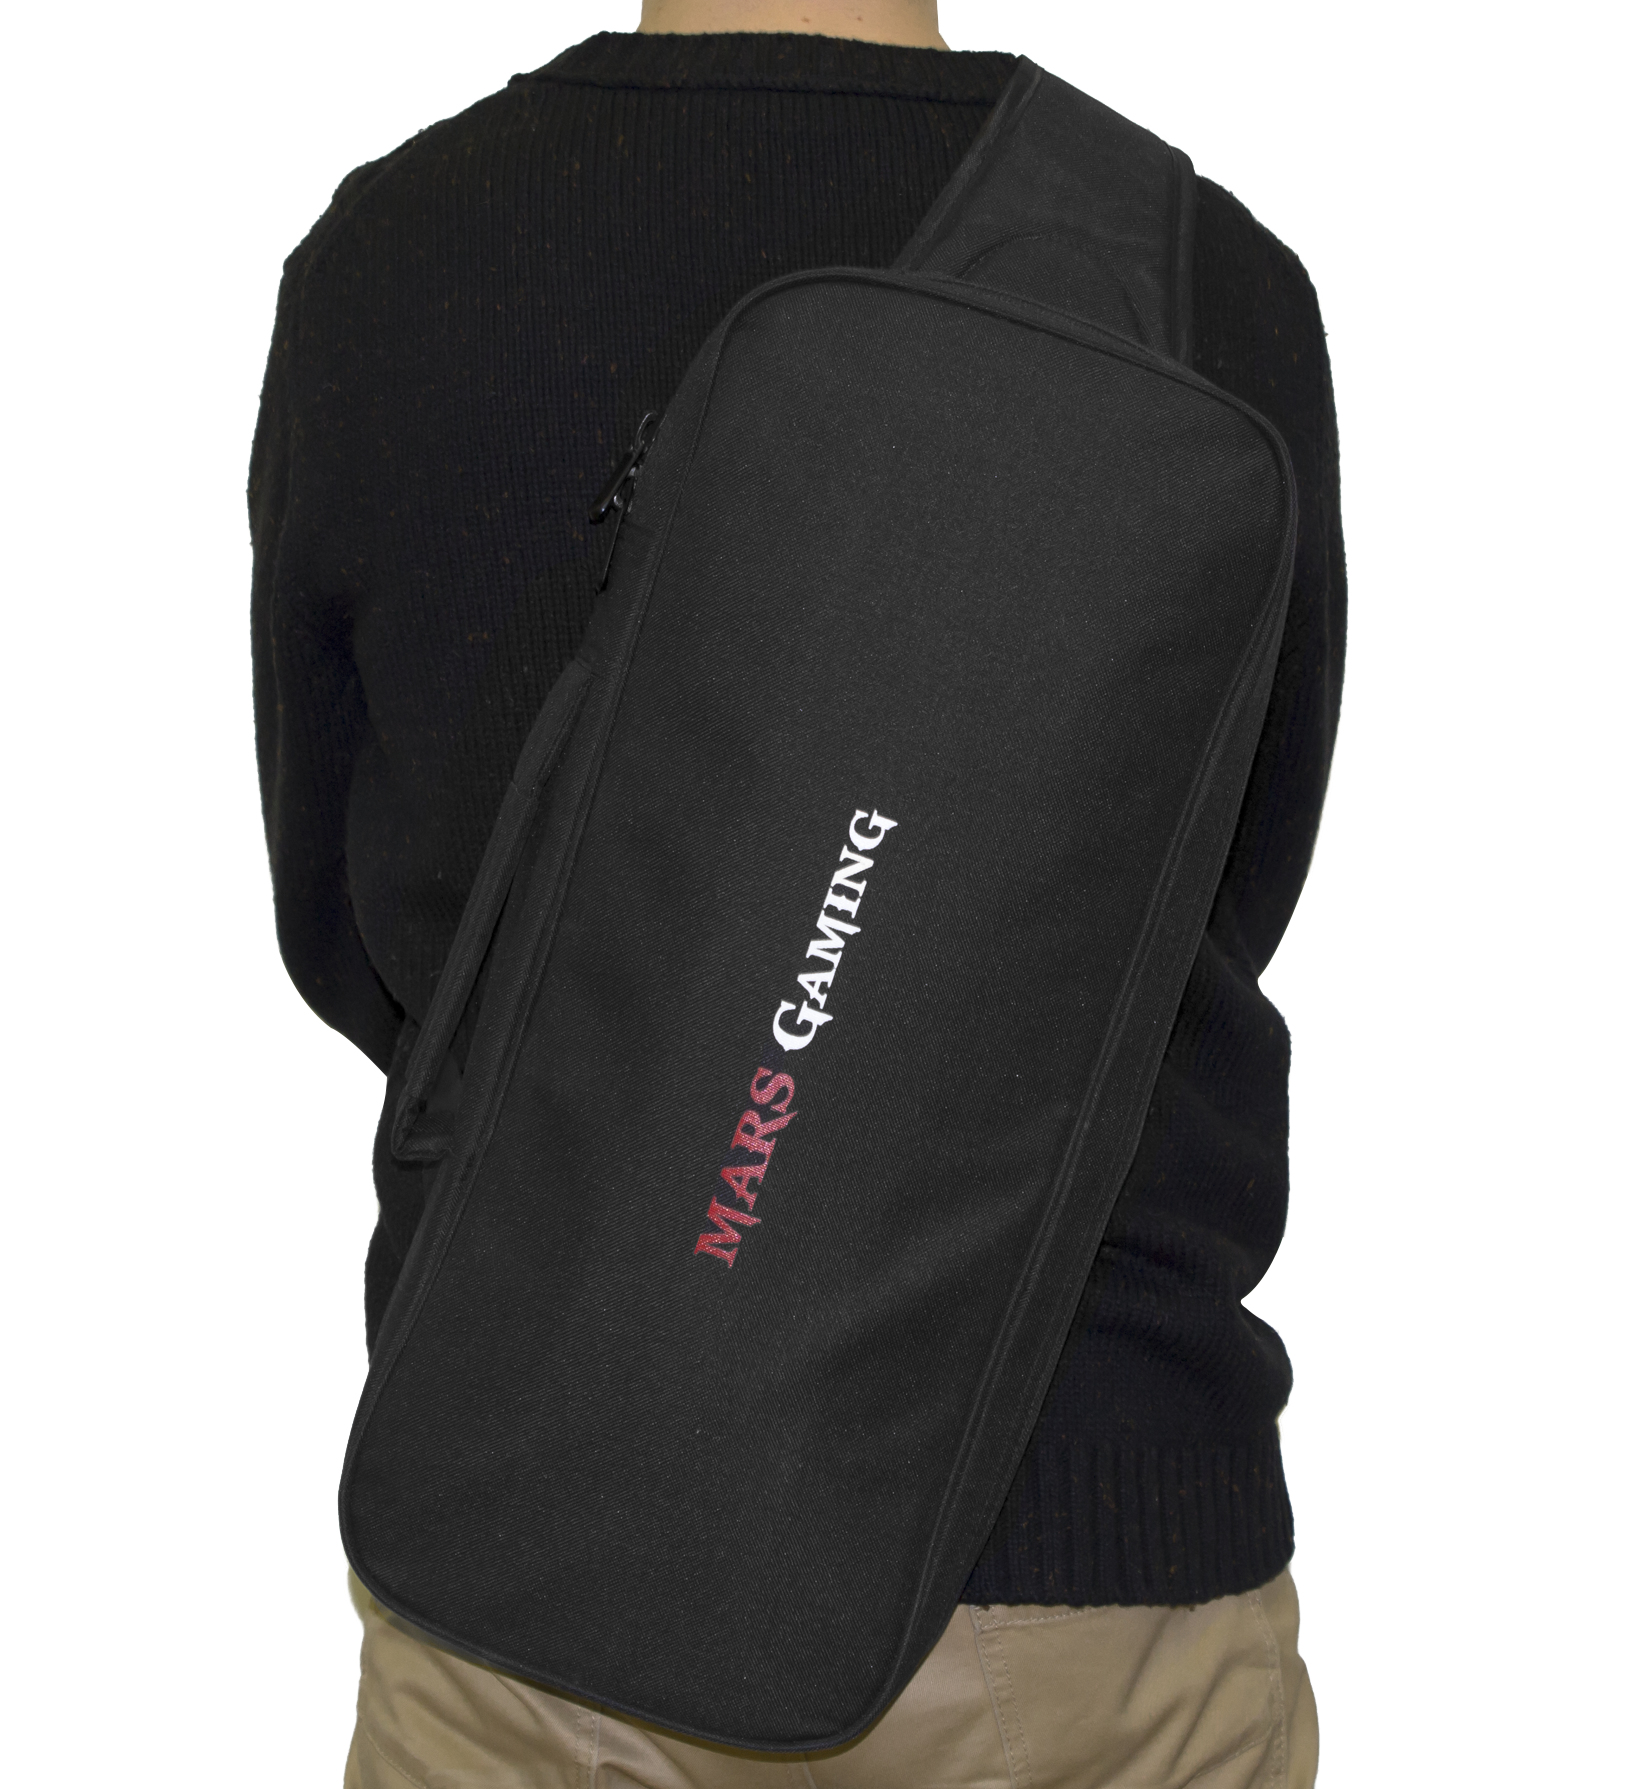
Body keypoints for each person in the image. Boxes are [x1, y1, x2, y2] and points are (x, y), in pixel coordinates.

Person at [250, 1, 1343, 1781]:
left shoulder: (393, 255)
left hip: (534, 1538)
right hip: (1097, 1551)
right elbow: (1214, 883)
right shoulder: (1196, 272)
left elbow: (350, 924)